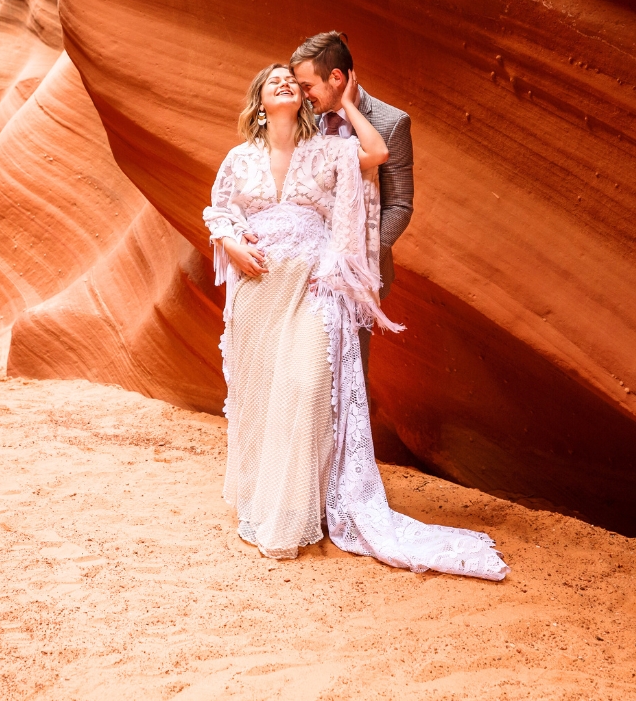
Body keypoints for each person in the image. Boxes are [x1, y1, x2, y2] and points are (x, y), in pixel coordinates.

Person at [203, 63, 509, 580]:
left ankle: (294, 514)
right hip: (258, 293)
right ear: (258, 103)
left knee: (305, 388)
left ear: (302, 100)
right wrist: (231, 241)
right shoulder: (240, 158)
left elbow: (377, 153)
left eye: (291, 81)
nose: (284, 83)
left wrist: (345, 103)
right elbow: (219, 210)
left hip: (315, 289)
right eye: (272, 80)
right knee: (263, 396)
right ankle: (267, 501)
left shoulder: (327, 150)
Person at [290, 31, 413, 391]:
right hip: (302, 267)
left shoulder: (390, 123)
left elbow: (400, 206)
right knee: (302, 375)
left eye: (307, 85)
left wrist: (352, 259)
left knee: (348, 377)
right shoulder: (303, 118)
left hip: (355, 273)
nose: (302, 94)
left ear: (337, 78)